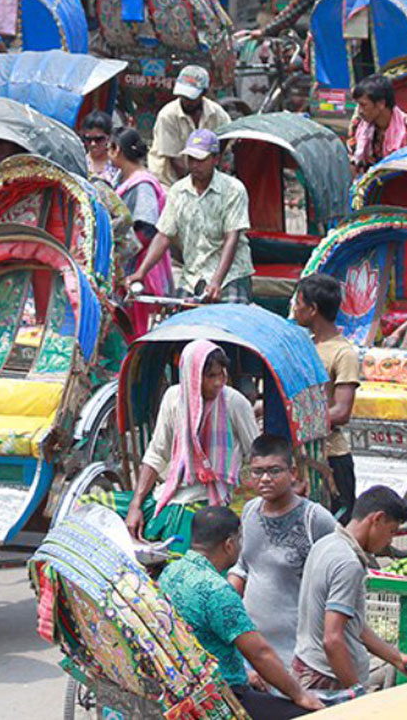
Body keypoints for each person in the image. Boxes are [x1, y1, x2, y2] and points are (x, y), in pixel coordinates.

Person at [158, 507, 324, 718]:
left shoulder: (171, 573)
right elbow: (259, 653)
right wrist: (300, 695)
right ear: (229, 544)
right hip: (222, 694)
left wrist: (246, 673)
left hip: (185, 682)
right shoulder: (216, 589)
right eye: (239, 539)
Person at [122, 341, 259, 553]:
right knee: (91, 509)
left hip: (210, 499)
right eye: (210, 376)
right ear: (192, 377)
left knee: (181, 555)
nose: (217, 383)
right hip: (168, 493)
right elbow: (157, 453)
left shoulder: (235, 403)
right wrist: (135, 504)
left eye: (221, 374)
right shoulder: (173, 398)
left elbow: (256, 454)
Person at [293, 486, 407, 690]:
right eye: (391, 531)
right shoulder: (348, 563)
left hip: (307, 667)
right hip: (326, 679)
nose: (389, 541)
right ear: (377, 519)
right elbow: (332, 640)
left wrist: (398, 659)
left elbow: (353, 625)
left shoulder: (326, 544)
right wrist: (355, 694)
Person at [228, 435, 339, 668]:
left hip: (299, 655)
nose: (265, 479)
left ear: (293, 472)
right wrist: (225, 606)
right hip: (253, 652)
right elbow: (243, 568)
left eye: (275, 471)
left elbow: (338, 582)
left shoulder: (315, 520)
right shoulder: (249, 512)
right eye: (257, 472)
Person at [129, 129, 254, 303]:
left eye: (201, 160)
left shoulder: (233, 189)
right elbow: (164, 235)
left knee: (230, 321)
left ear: (215, 159)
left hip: (230, 275)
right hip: (193, 277)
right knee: (177, 322)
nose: (195, 165)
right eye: (191, 159)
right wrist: (141, 273)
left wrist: (217, 282)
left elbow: (231, 238)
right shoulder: (177, 191)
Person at [291, 274, 361, 524]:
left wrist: (294, 418)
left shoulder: (344, 354)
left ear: (312, 310)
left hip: (331, 457)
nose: (295, 309)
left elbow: (341, 411)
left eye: (298, 303)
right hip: (301, 456)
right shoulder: (303, 346)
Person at [109, 127, 174, 335]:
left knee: (137, 325)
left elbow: (147, 229)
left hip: (141, 266)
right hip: (128, 262)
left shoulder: (142, 184)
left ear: (117, 149)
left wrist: (120, 251)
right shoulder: (123, 180)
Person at [148, 66, 232, 186]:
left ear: (203, 93)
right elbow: (176, 162)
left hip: (205, 178)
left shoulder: (217, 114)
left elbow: (225, 143)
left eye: (190, 98)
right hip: (169, 181)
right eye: (183, 96)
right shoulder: (168, 116)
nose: (186, 101)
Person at [346, 75, 407, 176]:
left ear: (381, 104)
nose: (359, 111)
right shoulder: (358, 126)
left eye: (363, 105)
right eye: (358, 105)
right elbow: (352, 163)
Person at [82, 110, 120, 186]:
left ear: (108, 138)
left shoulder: (117, 165)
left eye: (98, 139)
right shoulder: (81, 163)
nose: (93, 144)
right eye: (88, 139)